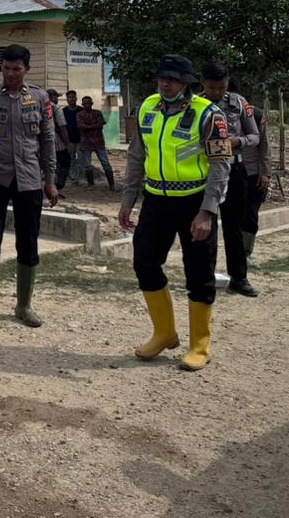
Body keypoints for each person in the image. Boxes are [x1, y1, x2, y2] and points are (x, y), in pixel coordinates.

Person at [118, 54, 231, 371]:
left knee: (199, 272)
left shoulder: (209, 114)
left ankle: (199, 345)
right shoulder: (147, 107)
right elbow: (136, 157)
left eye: (173, 79)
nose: (166, 84)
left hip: (195, 202)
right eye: (162, 78)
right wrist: (128, 200)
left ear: (186, 84)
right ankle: (165, 332)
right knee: (144, 262)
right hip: (156, 200)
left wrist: (207, 212)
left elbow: (221, 166)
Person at [0, 44, 59, 329]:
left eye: (17, 69)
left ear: (26, 70)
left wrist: (50, 181)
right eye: (5, 69)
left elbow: (48, 141)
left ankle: (24, 305)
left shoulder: (40, 98)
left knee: (28, 241)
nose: (11, 74)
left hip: (29, 179)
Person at [200, 63, 261, 297]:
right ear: (203, 84)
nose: (216, 92)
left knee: (233, 227)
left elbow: (254, 136)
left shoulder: (238, 103)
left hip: (234, 172)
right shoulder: (196, 106)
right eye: (211, 87)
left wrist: (238, 142)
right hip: (205, 173)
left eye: (221, 87)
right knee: (207, 225)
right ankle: (206, 277)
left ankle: (239, 278)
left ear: (228, 83)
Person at [241, 104, 272, 261]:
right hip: (232, 171)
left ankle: (246, 252)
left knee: (251, 213)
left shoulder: (257, 115)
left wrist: (265, 172)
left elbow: (264, 145)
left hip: (254, 173)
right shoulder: (220, 113)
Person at [76, 95, 116, 191]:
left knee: (105, 163)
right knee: (87, 165)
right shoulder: (80, 114)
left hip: (98, 142)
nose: (87, 105)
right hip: (86, 142)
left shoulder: (97, 113)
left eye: (88, 103)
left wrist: (88, 127)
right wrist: (93, 127)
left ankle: (112, 185)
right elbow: (81, 126)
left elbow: (100, 124)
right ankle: (91, 184)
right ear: (82, 104)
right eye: (85, 104)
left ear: (92, 103)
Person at [47, 89, 73, 194]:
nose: (57, 99)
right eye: (56, 97)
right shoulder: (56, 108)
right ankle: (58, 185)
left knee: (50, 164)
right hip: (56, 140)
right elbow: (62, 127)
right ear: (52, 97)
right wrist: (67, 143)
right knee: (65, 161)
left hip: (43, 140)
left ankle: (51, 183)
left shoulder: (41, 106)